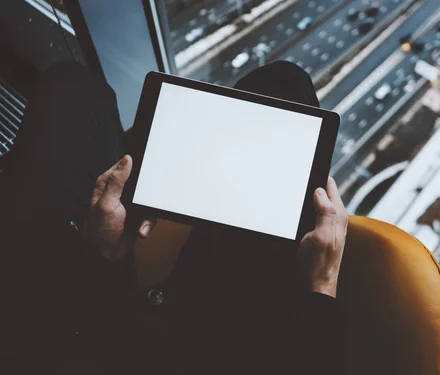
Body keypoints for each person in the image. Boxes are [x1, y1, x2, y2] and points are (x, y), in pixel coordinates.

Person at [0, 61, 348, 374]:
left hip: (54, 328)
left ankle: (176, 163)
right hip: (207, 342)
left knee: (72, 86)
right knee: (286, 86)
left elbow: (74, 337)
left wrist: (102, 253)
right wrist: (322, 284)